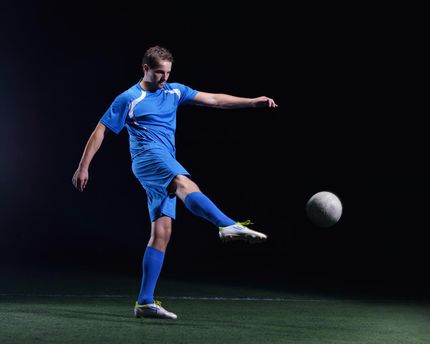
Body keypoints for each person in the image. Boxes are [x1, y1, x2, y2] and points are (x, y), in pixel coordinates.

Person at [72, 45, 278, 320]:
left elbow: (215, 100)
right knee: (182, 181)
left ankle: (144, 302)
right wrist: (83, 166)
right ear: (145, 68)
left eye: (168, 72)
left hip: (163, 159)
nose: (164, 78)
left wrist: (251, 102)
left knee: (162, 232)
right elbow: (101, 131)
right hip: (148, 158)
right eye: (159, 72)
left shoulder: (175, 91)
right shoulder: (129, 98)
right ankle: (226, 224)